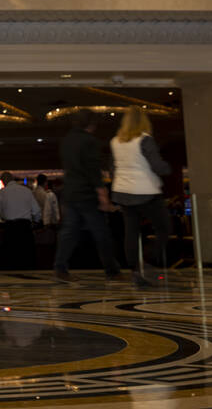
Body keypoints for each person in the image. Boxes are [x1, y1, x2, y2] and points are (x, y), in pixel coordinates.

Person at [53, 110, 120, 282]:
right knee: (101, 232)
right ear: (91, 124)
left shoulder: (66, 141)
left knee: (69, 232)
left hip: (70, 192)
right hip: (87, 193)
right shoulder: (90, 142)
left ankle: (60, 268)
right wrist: (103, 196)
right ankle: (112, 270)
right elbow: (93, 171)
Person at [109, 107, 172, 287]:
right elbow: (157, 166)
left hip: (122, 191)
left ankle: (135, 269)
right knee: (164, 229)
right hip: (145, 191)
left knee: (131, 232)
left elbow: (112, 168)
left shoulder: (115, 141)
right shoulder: (145, 140)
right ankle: (149, 260)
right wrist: (167, 169)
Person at [0, 171, 40, 270]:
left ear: (3, 181)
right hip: (25, 228)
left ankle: (13, 278)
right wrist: (36, 222)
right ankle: (28, 278)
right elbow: (36, 211)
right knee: (27, 256)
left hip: (10, 228)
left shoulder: (2, 192)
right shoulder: (27, 191)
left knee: (11, 258)